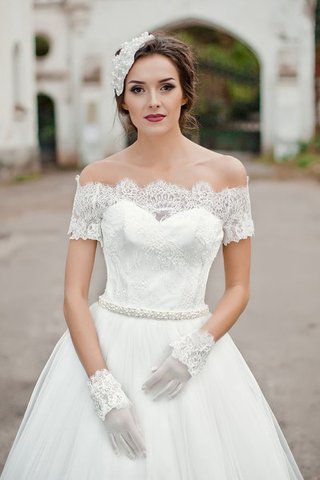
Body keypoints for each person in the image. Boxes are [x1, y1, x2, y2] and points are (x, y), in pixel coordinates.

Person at [0, 32, 304, 480]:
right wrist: (103, 389)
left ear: (185, 94)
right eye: (137, 89)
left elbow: (239, 287)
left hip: (193, 353)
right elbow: (72, 294)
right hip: (109, 347)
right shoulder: (97, 179)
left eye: (165, 86)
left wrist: (193, 353)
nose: (152, 101)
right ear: (123, 101)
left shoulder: (227, 175)